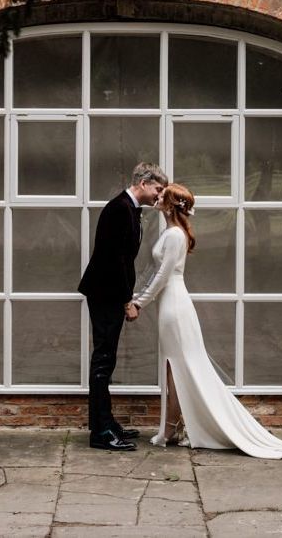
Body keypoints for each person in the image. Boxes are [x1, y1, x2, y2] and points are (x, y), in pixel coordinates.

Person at [132, 183, 282, 459]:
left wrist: (139, 302)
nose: (159, 196)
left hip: (174, 305)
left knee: (176, 367)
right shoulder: (170, 231)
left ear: (171, 204)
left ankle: (171, 428)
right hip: (169, 303)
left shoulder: (175, 235)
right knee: (172, 367)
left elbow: (163, 275)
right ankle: (172, 426)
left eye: (164, 195)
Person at [79, 162, 168, 451]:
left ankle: (107, 423)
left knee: (107, 360)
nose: (159, 194)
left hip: (109, 293)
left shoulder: (129, 209)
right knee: (103, 361)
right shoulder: (119, 209)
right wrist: (126, 300)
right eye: (157, 188)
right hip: (106, 294)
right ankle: (100, 432)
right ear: (143, 183)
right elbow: (114, 260)